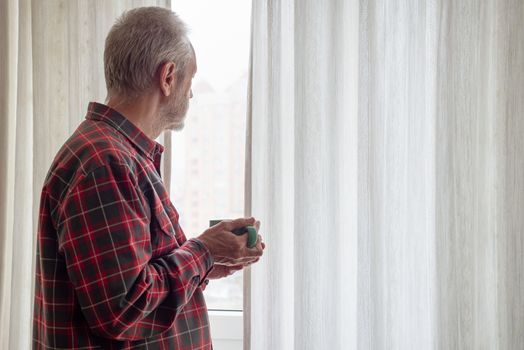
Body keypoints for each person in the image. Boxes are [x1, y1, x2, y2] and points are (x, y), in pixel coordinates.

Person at [32, 6, 265, 349]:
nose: (190, 94)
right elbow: (122, 310)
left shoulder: (118, 156)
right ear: (168, 76)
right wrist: (202, 252)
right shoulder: (105, 162)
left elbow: (137, 278)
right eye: (191, 80)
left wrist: (205, 263)